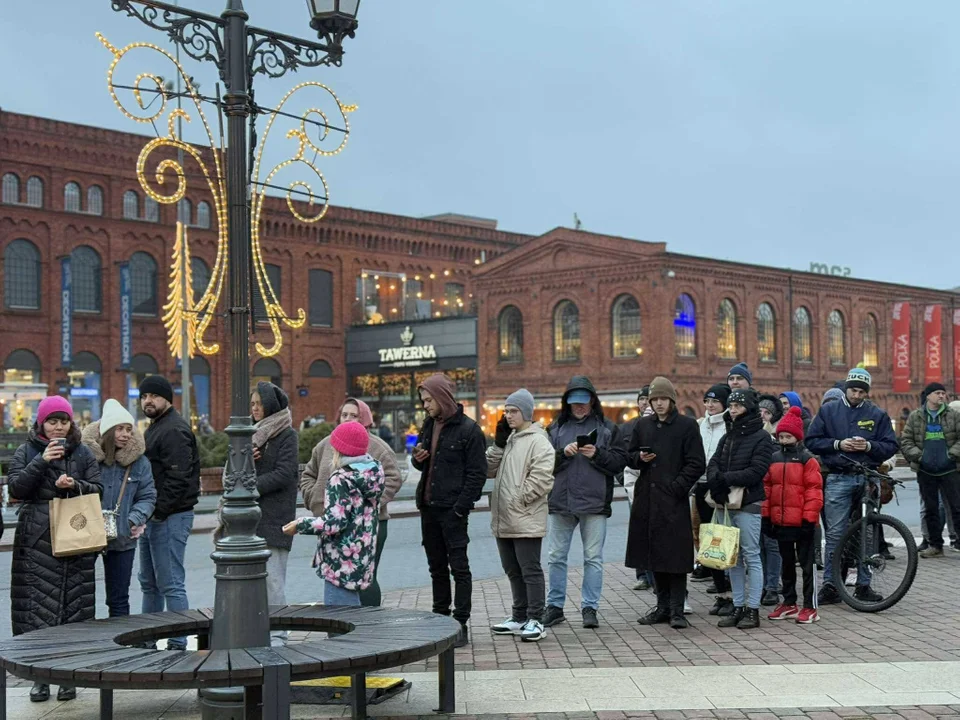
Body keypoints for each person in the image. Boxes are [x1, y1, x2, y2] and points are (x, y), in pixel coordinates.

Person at [9, 396, 103, 703]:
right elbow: (16, 489)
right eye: (52, 421)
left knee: (72, 611)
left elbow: (99, 489)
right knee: (36, 614)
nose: (58, 427)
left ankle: (68, 677)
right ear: (41, 423)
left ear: (71, 423)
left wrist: (74, 485)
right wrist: (42, 460)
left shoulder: (84, 452)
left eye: (64, 421)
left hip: (75, 538)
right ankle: (39, 679)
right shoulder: (26, 451)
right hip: (36, 542)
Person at [806, 367, 898, 605]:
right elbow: (812, 441)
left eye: (861, 391)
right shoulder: (828, 411)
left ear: (867, 392)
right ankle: (831, 585)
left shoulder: (877, 414)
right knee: (835, 533)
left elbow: (890, 445)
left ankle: (863, 585)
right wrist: (838, 444)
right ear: (846, 389)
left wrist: (868, 447)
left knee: (866, 531)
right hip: (838, 477)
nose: (856, 395)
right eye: (853, 390)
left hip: (867, 478)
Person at [543, 376, 628, 630]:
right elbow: (545, 465)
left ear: (592, 400)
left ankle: (589, 607)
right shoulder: (554, 429)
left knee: (593, 558)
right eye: (573, 402)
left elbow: (619, 463)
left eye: (582, 402)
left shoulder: (608, 429)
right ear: (566, 402)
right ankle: (555, 607)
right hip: (561, 502)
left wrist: (597, 454)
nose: (578, 407)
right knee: (556, 557)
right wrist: (562, 454)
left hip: (594, 504)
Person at [300, 398, 402, 607]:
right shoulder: (326, 444)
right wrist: (312, 497)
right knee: (338, 579)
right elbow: (308, 474)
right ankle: (356, 627)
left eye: (354, 415)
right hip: (329, 521)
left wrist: (367, 504)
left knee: (361, 579)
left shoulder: (377, 447)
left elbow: (393, 477)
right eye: (344, 414)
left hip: (367, 525)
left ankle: (366, 624)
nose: (347, 419)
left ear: (365, 419)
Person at [411, 374, 487, 647]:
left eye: (429, 400)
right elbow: (422, 465)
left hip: (452, 511)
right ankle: (440, 620)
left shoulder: (469, 430)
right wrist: (417, 459)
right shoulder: (428, 425)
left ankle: (460, 623)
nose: (426, 405)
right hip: (428, 508)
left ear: (442, 397)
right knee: (436, 569)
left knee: (459, 569)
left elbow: (477, 475)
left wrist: (460, 509)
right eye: (424, 401)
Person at [628, 377, 706, 630]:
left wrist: (677, 487)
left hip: (673, 500)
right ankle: (661, 606)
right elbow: (628, 456)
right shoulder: (643, 425)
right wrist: (639, 458)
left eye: (663, 399)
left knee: (676, 556)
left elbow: (696, 462)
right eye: (655, 399)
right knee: (654, 555)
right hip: (648, 500)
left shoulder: (686, 426)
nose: (659, 404)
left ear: (672, 400)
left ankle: (676, 609)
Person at [284, 422, 385, 606]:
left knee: (339, 620)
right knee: (354, 614)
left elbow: (334, 523)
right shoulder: (372, 474)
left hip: (339, 562)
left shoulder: (340, 478)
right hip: (360, 559)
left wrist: (301, 524)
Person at [487, 389, 555, 642]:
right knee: (512, 569)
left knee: (530, 569)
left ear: (526, 412)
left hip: (524, 516)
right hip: (504, 517)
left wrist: (519, 500)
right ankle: (519, 616)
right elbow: (489, 469)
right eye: (506, 411)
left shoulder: (538, 441)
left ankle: (536, 618)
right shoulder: (511, 439)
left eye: (513, 411)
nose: (508, 416)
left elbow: (542, 478)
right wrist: (498, 444)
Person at [138, 375, 200, 651]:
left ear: (166, 398)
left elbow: (179, 478)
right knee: (149, 583)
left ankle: (177, 642)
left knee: (171, 582)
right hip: (153, 517)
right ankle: (147, 638)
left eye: (153, 395)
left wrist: (158, 512)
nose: (147, 400)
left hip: (170, 517)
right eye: (143, 396)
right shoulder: (157, 427)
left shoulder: (173, 430)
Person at [81, 399, 157, 618]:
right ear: (107, 430)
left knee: (119, 598)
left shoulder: (139, 462)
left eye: (129, 429)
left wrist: (133, 520)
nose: (125, 434)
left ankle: (120, 649)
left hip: (122, 537)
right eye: (120, 429)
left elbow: (148, 496)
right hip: (87, 536)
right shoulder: (87, 458)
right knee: (82, 598)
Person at [706, 388, 774, 630]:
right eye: (731, 406)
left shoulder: (762, 437)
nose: (732, 410)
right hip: (726, 501)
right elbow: (713, 462)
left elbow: (757, 471)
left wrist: (724, 479)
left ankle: (752, 610)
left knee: (751, 555)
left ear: (749, 408)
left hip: (748, 502)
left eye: (738, 406)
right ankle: (738, 606)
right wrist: (715, 480)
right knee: (732, 558)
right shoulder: (728, 435)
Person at [762, 407, 823, 624]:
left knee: (808, 566)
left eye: (788, 436)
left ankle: (810, 606)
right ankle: (789, 602)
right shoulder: (773, 458)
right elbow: (767, 489)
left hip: (804, 523)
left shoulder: (808, 460)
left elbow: (814, 491)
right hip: (781, 522)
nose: (785, 440)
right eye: (781, 436)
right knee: (786, 564)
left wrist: (809, 518)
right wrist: (767, 517)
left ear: (797, 437)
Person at [249, 381, 298, 646]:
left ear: (270, 406)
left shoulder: (286, 435)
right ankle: (257, 630)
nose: (255, 409)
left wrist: (250, 488)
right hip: (251, 520)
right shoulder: (250, 433)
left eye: (259, 404)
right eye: (253, 404)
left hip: (276, 518)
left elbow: (285, 473)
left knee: (273, 583)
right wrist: (249, 461)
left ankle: (278, 634)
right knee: (253, 583)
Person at [899, 382, 960, 558]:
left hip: (950, 469)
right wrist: (920, 457)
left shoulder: (953, 415)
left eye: (943, 393)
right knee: (931, 509)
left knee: (957, 508)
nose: (941, 396)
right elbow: (906, 440)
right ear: (928, 396)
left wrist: (951, 455)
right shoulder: (915, 417)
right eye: (938, 393)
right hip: (926, 471)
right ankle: (935, 545)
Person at [694, 384, 734, 616]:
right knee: (710, 541)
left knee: (727, 540)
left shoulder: (730, 426)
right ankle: (721, 593)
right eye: (707, 401)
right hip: (701, 487)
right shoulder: (700, 425)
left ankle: (733, 595)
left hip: (721, 488)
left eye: (714, 402)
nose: (709, 406)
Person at [620, 386, 653, 590]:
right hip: (634, 486)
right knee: (638, 533)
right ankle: (642, 575)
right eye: (642, 398)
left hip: (656, 486)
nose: (645, 402)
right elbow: (621, 455)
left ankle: (655, 575)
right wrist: (624, 481)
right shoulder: (627, 427)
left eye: (648, 398)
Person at [756, 393, 784, 607]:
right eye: (760, 412)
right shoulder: (753, 433)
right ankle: (764, 584)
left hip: (773, 497)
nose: (763, 415)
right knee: (758, 545)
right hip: (757, 496)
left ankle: (772, 586)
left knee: (772, 544)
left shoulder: (778, 436)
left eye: (767, 413)